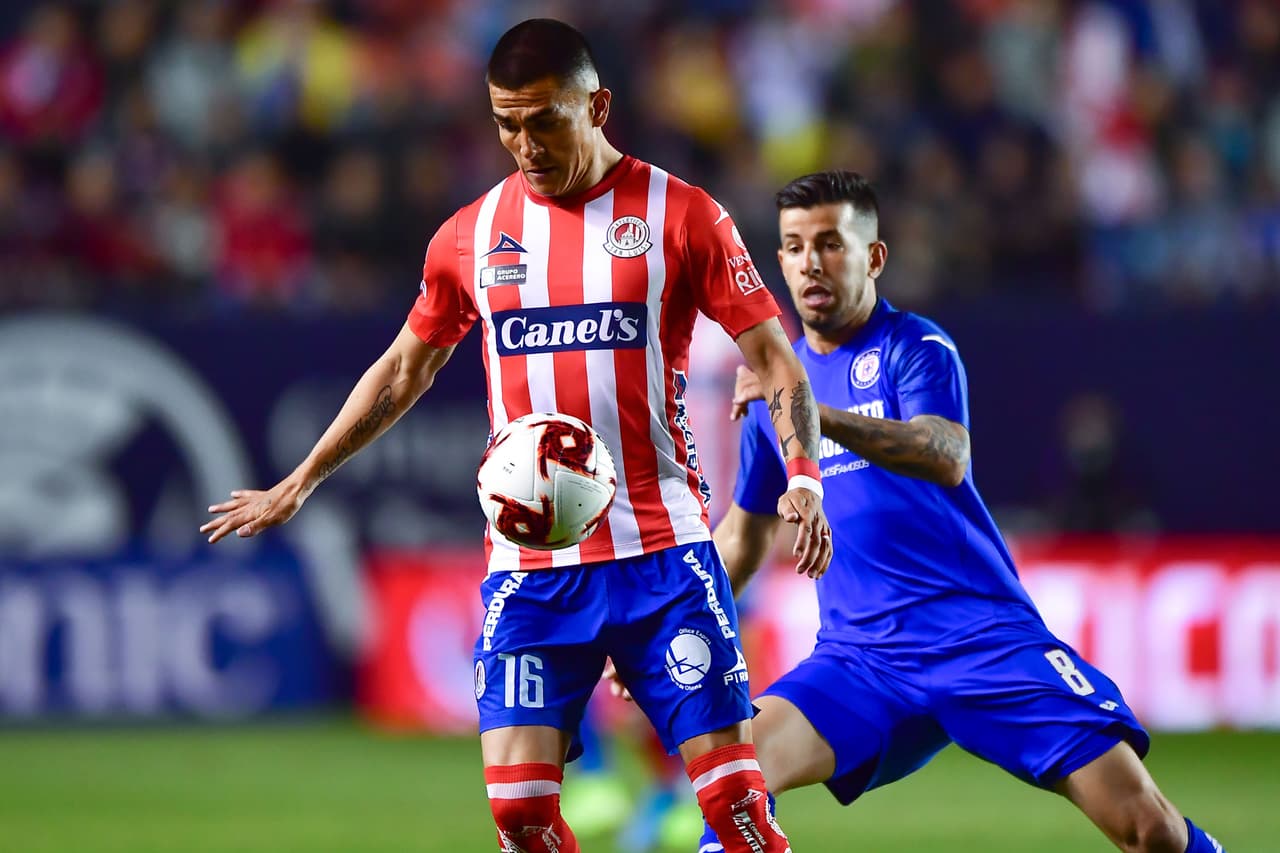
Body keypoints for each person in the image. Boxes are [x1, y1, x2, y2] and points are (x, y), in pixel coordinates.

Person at [202, 19, 831, 853]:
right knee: (520, 817)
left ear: (597, 105)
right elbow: (402, 370)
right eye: (505, 122)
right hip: (532, 569)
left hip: (662, 555)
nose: (523, 143)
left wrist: (803, 475)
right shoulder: (469, 236)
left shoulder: (681, 216)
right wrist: (303, 477)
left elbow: (775, 359)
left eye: (544, 120)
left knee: (737, 809)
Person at [695, 170, 1226, 853]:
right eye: (795, 247)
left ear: (873, 257)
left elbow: (945, 452)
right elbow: (743, 533)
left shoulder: (914, 348)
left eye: (831, 243)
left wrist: (809, 412)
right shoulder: (777, 387)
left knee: (1149, 828)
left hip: (980, 640)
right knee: (730, 786)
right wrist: (670, 623)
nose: (810, 263)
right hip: (861, 661)